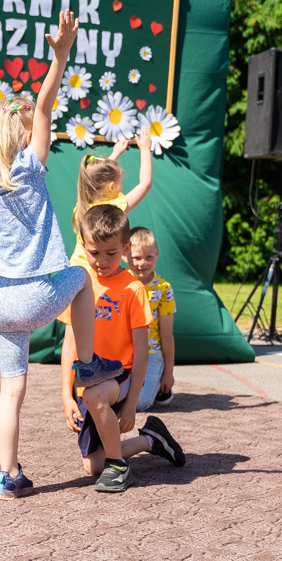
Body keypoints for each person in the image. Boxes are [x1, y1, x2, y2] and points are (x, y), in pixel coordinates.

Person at [0, 12, 124, 500]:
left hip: (0, 304)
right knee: (84, 277)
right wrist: (60, 55)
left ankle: (8, 476)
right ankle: (87, 366)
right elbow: (43, 105)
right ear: (23, 137)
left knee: (11, 392)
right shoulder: (31, 166)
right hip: (39, 292)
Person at [60, 205, 185, 492]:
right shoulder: (79, 284)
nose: (101, 261)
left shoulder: (133, 289)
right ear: (83, 245)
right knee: (92, 466)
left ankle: (119, 468)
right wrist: (66, 396)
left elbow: (143, 350)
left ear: (125, 248)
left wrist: (131, 404)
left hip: (120, 375)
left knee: (95, 393)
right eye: (94, 253)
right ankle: (152, 439)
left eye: (111, 253)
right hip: (88, 378)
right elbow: (70, 343)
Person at [68, 127, 152, 268]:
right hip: (94, 273)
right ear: (111, 187)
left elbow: (96, 177)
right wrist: (145, 148)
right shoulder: (113, 208)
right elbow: (145, 184)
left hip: (75, 268)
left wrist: (115, 153)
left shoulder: (82, 205)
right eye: (121, 184)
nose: (121, 188)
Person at [123, 226, 177, 411]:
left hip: (151, 353)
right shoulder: (120, 284)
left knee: (139, 403)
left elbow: (167, 335)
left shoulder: (163, 289)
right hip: (122, 353)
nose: (141, 263)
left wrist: (168, 373)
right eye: (136, 258)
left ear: (157, 254)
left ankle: (157, 385)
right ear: (125, 254)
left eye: (148, 257)